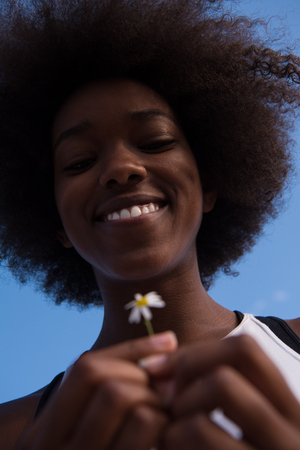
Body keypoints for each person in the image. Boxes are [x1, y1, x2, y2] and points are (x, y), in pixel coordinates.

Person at [0, 0, 300, 448]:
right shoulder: (14, 431)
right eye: (80, 161)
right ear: (55, 223)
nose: (121, 168)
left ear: (211, 184)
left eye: (156, 142)